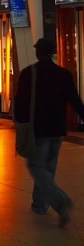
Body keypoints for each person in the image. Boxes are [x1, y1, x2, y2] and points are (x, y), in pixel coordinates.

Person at [14, 38, 84, 227]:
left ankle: (60, 201)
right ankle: (39, 204)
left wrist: (19, 124)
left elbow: (20, 102)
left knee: (36, 166)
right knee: (48, 168)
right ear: (52, 53)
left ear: (37, 52)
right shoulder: (63, 74)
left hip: (38, 129)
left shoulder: (30, 73)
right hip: (58, 129)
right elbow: (75, 100)